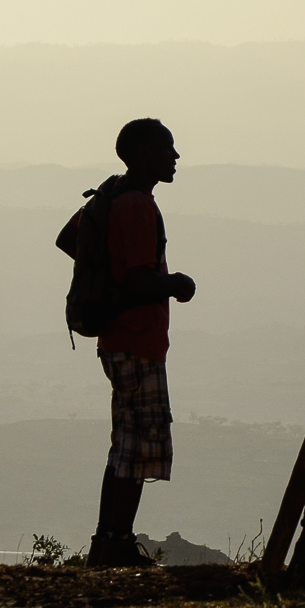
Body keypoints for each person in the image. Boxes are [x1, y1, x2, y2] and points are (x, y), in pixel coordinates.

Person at [88, 118, 196, 568]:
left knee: (127, 445)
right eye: (165, 148)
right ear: (141, 154)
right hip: (136, 339)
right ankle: (114, 544)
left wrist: (104, 273)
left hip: (122, 338)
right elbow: (137, 279)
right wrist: (175, 284)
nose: (174, 157)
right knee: (134, 447)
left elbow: (70, 238)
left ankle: (111, 541)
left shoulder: (112, 196)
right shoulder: (136, 206)